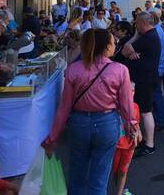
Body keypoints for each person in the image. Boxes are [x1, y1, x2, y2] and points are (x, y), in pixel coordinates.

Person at [42, 29, 135, 195]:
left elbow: (64, 108)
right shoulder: (120, 70)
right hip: (107, 123)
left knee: (76, 176)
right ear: (106, 47)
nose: (115, 45)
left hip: (79, 123)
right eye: (113, 43)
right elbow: (126, 105)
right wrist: (131, 129)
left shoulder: (73, 69)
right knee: (99, 179)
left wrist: (52, 138)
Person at [122, 12, 161, 156]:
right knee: (143, 110)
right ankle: (145, 140)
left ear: (143, 23)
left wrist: (135, 39)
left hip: (145, 79)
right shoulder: (148, 36)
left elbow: (126, 49)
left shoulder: (148, 37)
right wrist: (133, 52)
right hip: (144, 78)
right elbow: (128, 52)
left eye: (137, 22)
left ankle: (149, 144)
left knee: (145, 112)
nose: (135, 24)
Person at [111, 85, 142, 195]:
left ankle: (121, 192)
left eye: (133, 90)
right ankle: (121, 189)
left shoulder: (135, 107)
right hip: (116, 145)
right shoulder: (114, 108)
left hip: (129, 145)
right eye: (128, 91)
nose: (131, 93)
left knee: (123, 171)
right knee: (114, 170)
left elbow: (136, 123)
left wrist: (138, 133)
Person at [150, 9, 164, 131]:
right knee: (156, 94)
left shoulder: (156, 31)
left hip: (156, 68)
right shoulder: (157, 30)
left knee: (156, 94)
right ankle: (159, 119)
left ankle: (159, 120)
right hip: (158, 67)